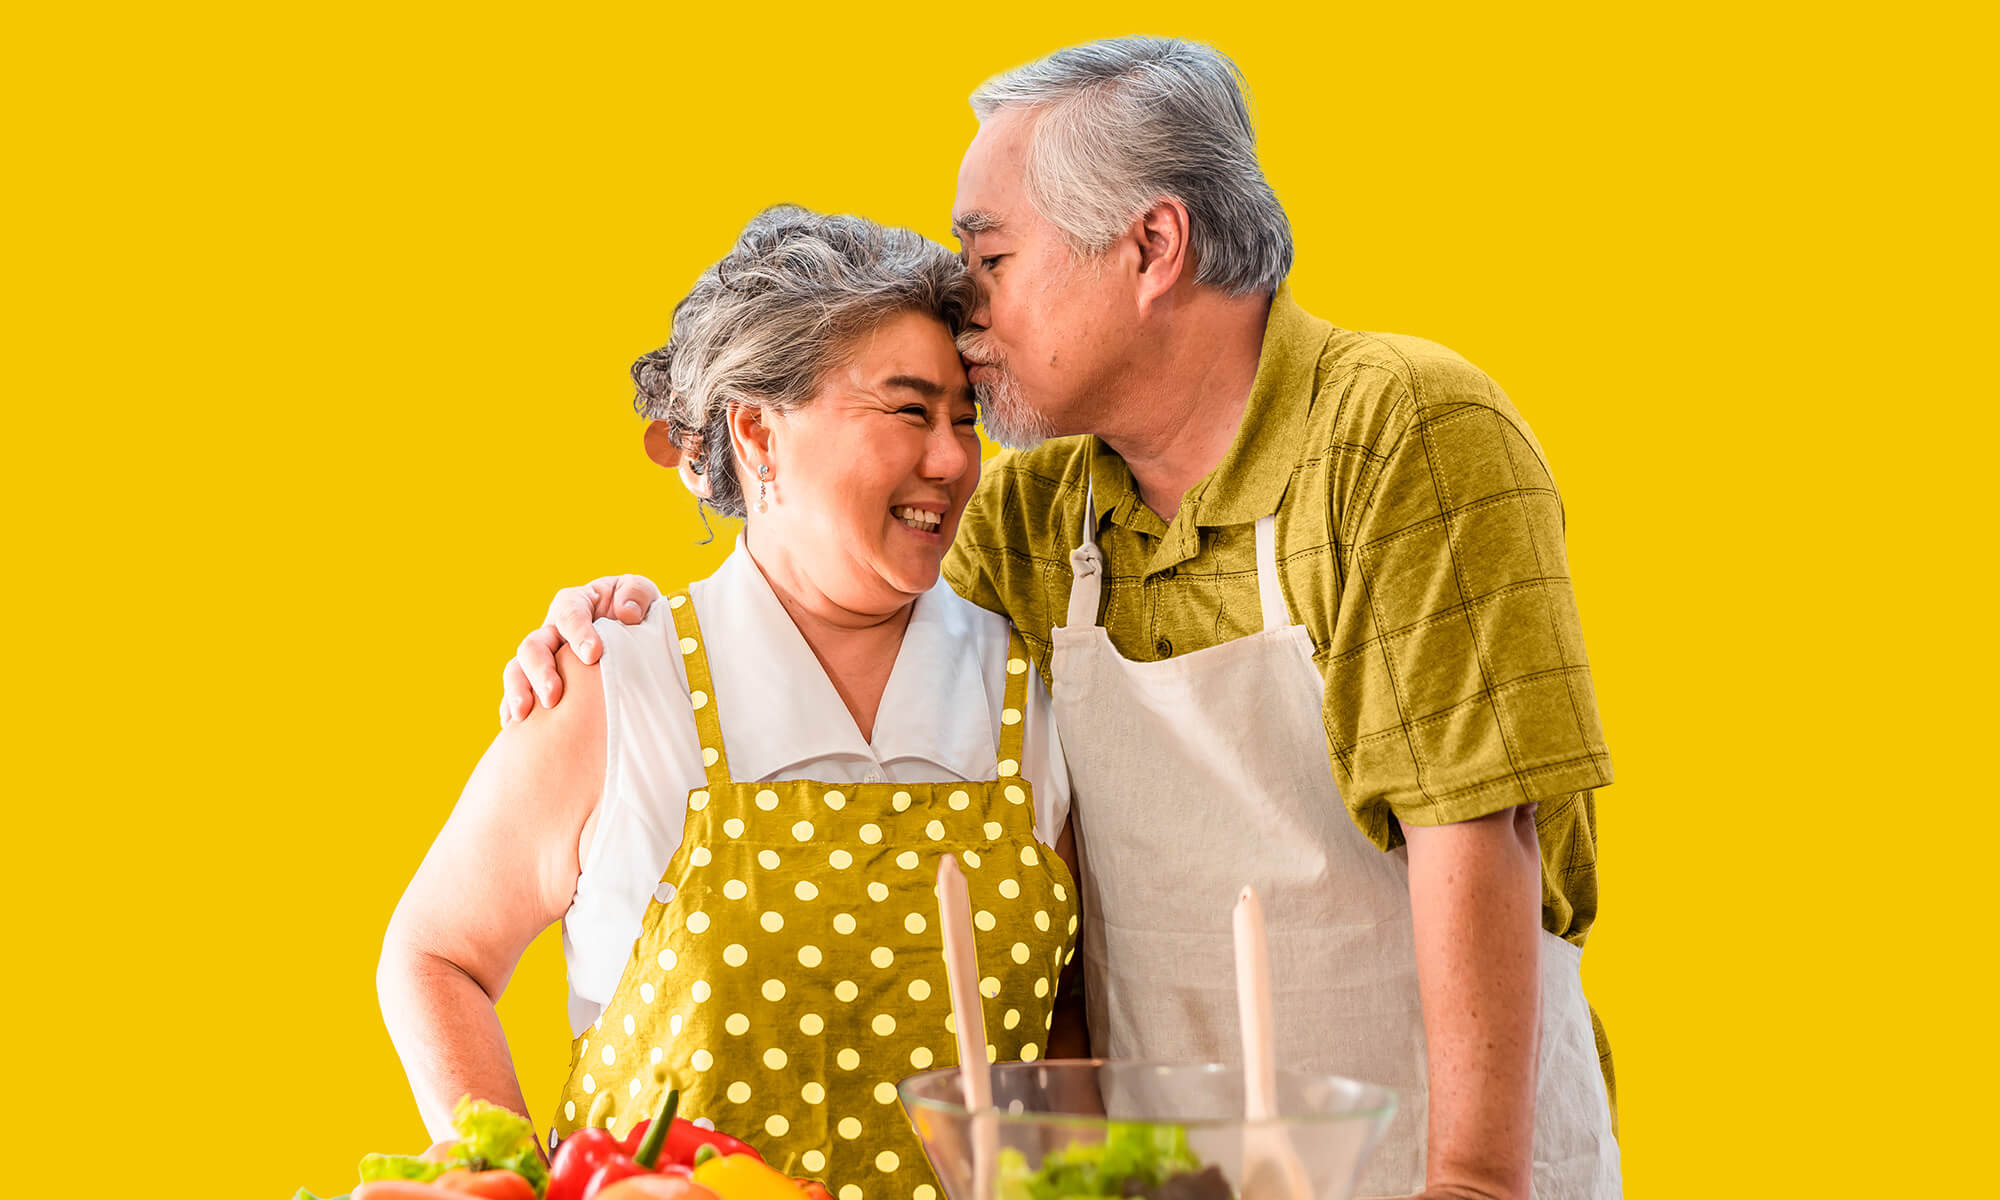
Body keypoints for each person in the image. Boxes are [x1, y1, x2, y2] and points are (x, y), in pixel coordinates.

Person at [501, 38, 1621, 1200]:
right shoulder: (1036, 518)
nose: (964, 314)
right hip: (1154, 1178)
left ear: (1150, 247)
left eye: (988, 256)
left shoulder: (1398, 434)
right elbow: (830, 597)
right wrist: (611, 630)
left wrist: (1473, 1185)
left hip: (1421, 1159)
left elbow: (1476, 833)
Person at [378, 206, 1084, 1199]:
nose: (951, 461)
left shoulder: (1027, 689)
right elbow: (435, 954)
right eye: (907, 411)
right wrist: (504, 1177)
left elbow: (1061, 1032)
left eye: (963, 421)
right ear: (757, 431)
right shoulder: (620, 681)